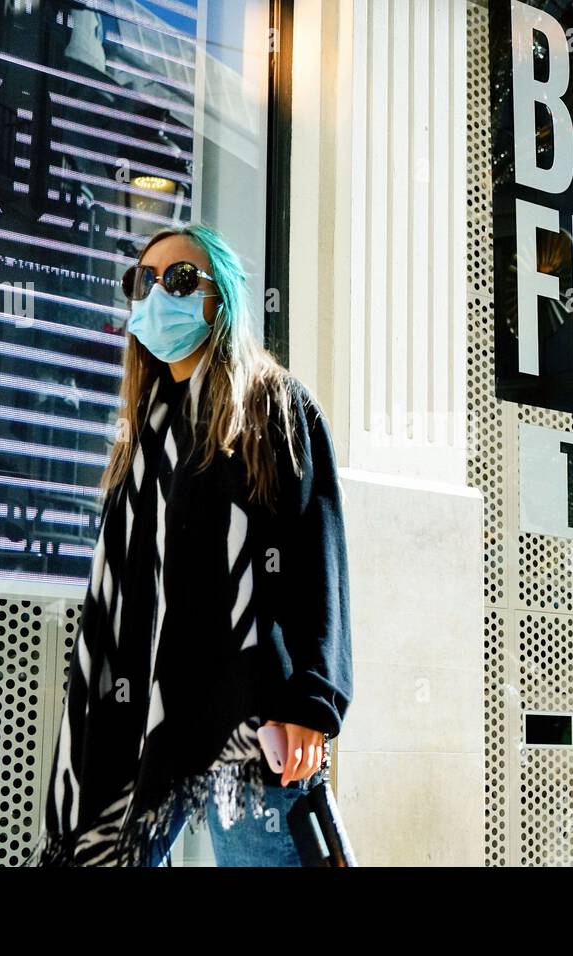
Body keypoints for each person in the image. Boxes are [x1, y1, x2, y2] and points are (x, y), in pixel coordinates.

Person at [33, 224, 353, 867]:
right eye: (142, 281)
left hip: (251, 714)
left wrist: (312, 703)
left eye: (179, 279)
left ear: (221, 299)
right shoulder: (147, 432)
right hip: (145, 710)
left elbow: (315, 560)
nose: (157, 294)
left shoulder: (272, 405)